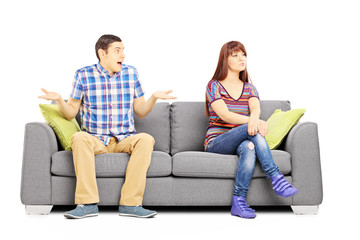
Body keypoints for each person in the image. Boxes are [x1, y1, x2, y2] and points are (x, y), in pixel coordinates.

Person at [39, 34, 176, 219]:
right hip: (95, 140)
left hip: (124, 139)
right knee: (78, 137)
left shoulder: (131, 73)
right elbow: (71, 112)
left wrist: (153, 97)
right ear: (102, 53)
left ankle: (130, 204)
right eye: (117, 51)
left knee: (146, 139)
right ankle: (87, 204)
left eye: (123, 50)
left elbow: (141, 111)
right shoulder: (83, 74)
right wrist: (58, 100)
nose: (123, 55)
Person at [204, 41, 298, 219]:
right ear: (225, 59)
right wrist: (254, 122)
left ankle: (238, 202)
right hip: (217, 141)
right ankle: (276, 176)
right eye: (235, 55)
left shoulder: (249, 88)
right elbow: (225, 115)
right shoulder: (214, 85)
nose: (242, 59)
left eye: (243, 54)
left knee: (250, 147)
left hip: (243, 140)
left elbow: (255, 109)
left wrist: (256, 119)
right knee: (250, 129)